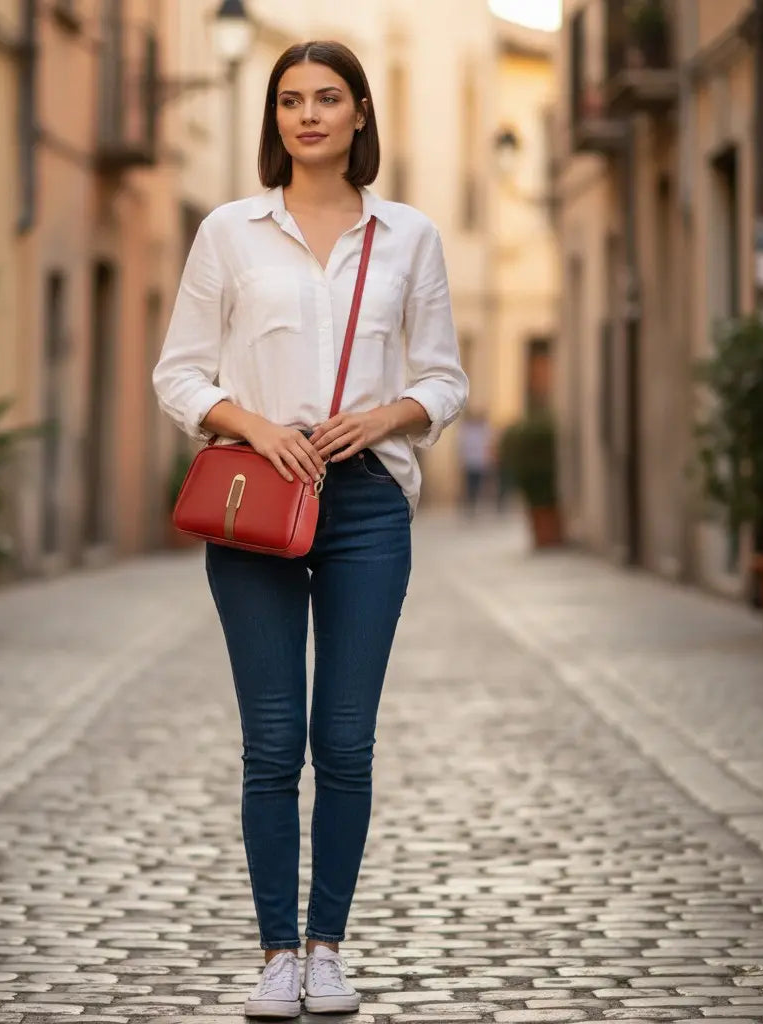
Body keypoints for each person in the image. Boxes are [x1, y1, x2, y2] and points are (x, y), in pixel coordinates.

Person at [153, 40, 468, 1020]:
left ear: (361, 114)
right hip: (256, 503)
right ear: (273, 120)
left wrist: (385, 415)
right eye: (290, 100)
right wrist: (249, 423)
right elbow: (178, 373)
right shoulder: (228, 234)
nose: (309, 115)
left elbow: (445, 376)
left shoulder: (408, 237)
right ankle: (275, 954)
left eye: (328, 98)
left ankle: (328, 947)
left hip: (367, 504)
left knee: (345, 740)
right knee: (271, 742)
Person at [458, 408, 493, 515]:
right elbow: (461, 446)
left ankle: (475, 503)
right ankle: (470, 505)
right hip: (470, 462)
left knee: (477, 485)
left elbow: (487, 445)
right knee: (470, 485)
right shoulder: (465, 430)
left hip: (479, 462)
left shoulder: (484, 429)